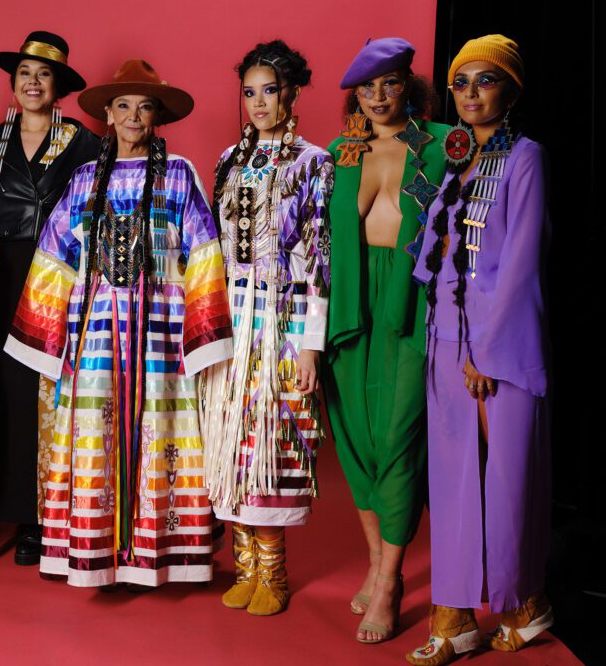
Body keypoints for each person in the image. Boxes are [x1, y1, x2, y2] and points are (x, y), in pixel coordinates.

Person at [4, 59, 233, 587]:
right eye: (123, 106)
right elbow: (53, 258)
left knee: (162, 433)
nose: (133, 116)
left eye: (144, 106)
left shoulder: (179, 176)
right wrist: (50, 340)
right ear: (107, 113)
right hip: (96, 335)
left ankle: (157, 555)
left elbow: (204, 254)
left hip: (160, 335)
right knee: (93, 433)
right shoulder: (85, 179)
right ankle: (93, 556)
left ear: (157, 117)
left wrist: (199, 336)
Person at [406, 35, 552, 665]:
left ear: (511, 89)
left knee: (505, 477)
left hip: (496, 347)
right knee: (453, 481)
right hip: (444, 339)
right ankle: (457, 613)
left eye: (484, 80)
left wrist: (485, 353)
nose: (469, 94)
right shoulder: (458, 158)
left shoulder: (524, 158)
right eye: (460, 83)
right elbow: (436, 257)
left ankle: (526, 604)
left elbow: (520, 265)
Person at [323, 38, 449, 642]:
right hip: (349, 307)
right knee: (354, 440)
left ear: (409, 86)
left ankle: (393, 579)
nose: (377, 97)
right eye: (366, 88)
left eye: (390, 84)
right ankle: (376, 562)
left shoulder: (441, 145)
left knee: (398, 439)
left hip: (409, 301)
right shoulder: (342, 153)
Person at [201, 40, 333, 616]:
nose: (258, 103)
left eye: (269, 91)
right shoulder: (228, 160)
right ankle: (244, 561)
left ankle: (274, 570)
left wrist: (309, 344)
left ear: (293, 94)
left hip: (281, 317)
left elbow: (319, 255)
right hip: (231, 316)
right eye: (249, 92)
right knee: (227, 437)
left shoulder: (313, 163)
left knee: (271, 438)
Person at [0, 31, 98, 565]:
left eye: (43, 74)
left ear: (58, 85)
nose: (33, 82)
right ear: (13, 82)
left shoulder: (86, 144)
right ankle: (16, 512)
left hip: (58, 278)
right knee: (7, 393)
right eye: (24, 73)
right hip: (0, 277)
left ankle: (53, 515)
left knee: (52, 394)